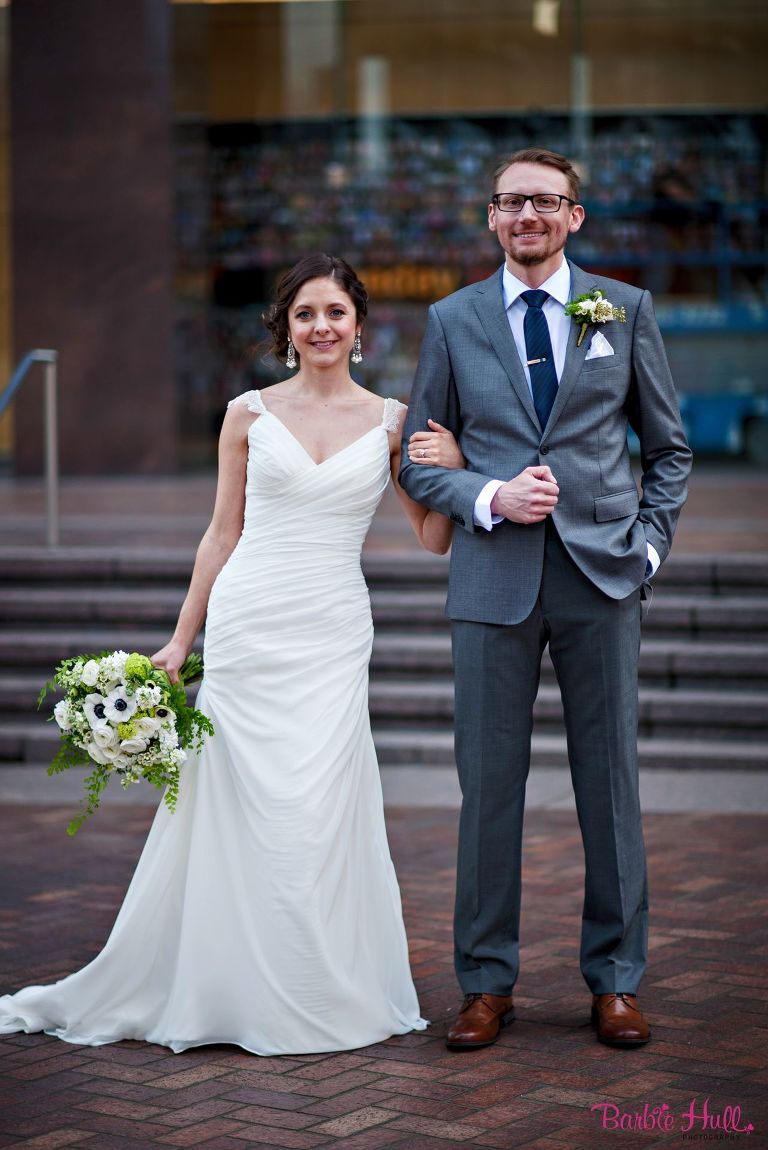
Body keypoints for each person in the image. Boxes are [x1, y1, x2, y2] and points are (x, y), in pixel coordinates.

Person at [0, 253, 465, 1056]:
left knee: (315, 812)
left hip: (332, 628)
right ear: (285, 329)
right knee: (242, 803)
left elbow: (430, 539)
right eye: (306, 314)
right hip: (249, 626)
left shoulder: (394, 422)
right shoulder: (247, 413)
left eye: (336, 313)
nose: (322, 327)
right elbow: (223, 532)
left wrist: (452, 476)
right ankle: (228, 985)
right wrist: (182, 640)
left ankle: (316, 983)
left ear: (359, 328)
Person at [400, 148, 692, 1051]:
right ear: (491, 218)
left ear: (574, 216)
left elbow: (668, 449)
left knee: (610, 786)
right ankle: (486, 985)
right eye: (511, 201)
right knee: (488, 790)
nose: (527, 214)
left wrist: (647, 546)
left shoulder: (625, 308)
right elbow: (413, 453)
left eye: (545, 201)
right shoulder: (452, 320)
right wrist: (487, 496)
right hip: (493, 579)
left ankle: (615, 983)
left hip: (604, 576)